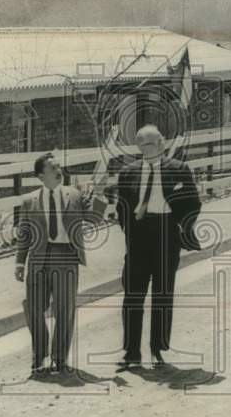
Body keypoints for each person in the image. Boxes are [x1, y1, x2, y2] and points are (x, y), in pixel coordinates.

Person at [113, 124, 201, 369]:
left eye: (150, 143)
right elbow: (121, 208)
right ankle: (131, 352)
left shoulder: (179, 169)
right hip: (138, 237)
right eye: (140, 143)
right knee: (132, 296)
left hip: (166, 235)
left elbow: (193, 202)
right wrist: (130, 232)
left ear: (162, 144)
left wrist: (182, 226)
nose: (145, 147)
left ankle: (157, 349)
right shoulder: (127, 172)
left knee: (162, 295)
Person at [15, 153, 94, 376]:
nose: (59, 170)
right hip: (39, 258)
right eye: (52, 167)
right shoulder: (29, 200)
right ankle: (39, 354)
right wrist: (20, 263)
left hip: (66, 256)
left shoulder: (75, 195)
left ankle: (59, 359)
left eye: (59, 166)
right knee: (33, 307)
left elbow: (94, 218)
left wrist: (97, 198)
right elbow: (24, 234)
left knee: (64, 309)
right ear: (41, 175)